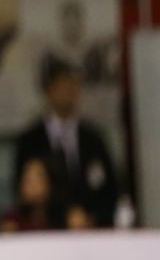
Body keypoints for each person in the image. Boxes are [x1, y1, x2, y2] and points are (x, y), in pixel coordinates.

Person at [13, 60, 119, 227]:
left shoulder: (93, 139)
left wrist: (92, 217)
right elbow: (23, 189)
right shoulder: (30, 140)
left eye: (72, 86)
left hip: (90, 228)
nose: (67, 93)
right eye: (61, 86)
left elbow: (109, 187)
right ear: (48, 91)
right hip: (45, 227)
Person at [0, 156, 89, 232]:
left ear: (51, 181)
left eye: (37, 177)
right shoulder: (13, 221)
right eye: (26, 178)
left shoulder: (68, 217)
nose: (30, 184)